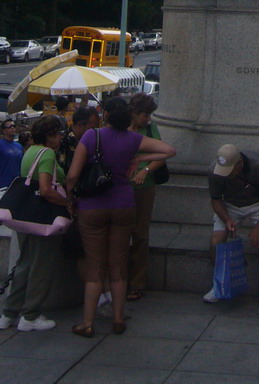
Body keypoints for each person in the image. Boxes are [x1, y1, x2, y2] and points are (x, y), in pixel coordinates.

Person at [65, 96, 175, 338]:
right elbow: (169, 150)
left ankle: (88, 323)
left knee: (95, 266)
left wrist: (69, 197)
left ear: (105, 116)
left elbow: (73, 175)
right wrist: (140, 159)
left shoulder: (91, 137)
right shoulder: (134, 139)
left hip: (93, 206)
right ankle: (117, 319)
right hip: (124, 204)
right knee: (118, 265)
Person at [0, 114, 70, 332]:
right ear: (50, 136)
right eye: (58, 134)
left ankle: (8, 313)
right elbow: (46, 189)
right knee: (41, 266)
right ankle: (31, 315)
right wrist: (67, 202)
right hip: (42, 217)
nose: (60, 139)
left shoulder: (30, 151)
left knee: (24, 264)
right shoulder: (47, 154)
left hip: (25, 215)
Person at [203, 144, 259, 308]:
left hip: (258, 204)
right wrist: (226, 219)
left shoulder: (258, 165)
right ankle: (218, 284)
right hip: (230, 205)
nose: (225, 175)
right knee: (215, 241)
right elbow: (216, 199)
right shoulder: (214, 171)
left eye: (229, 171)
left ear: (239, 164)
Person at [126, 92, 168, 301]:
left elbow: (163, 154)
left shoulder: (151, 130)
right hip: (122, 188)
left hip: (145, 187)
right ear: (134, 113)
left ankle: (137, 282)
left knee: (140, 235)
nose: (148, 119)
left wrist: (146, 170)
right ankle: (118, 280)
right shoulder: (121, 129)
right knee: (121, 235)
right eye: (145, 115)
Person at [56, 104, 100, 173]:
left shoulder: (93, 141)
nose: (94, 132)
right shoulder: (62, 139)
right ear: (79, 125)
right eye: (92, 128)